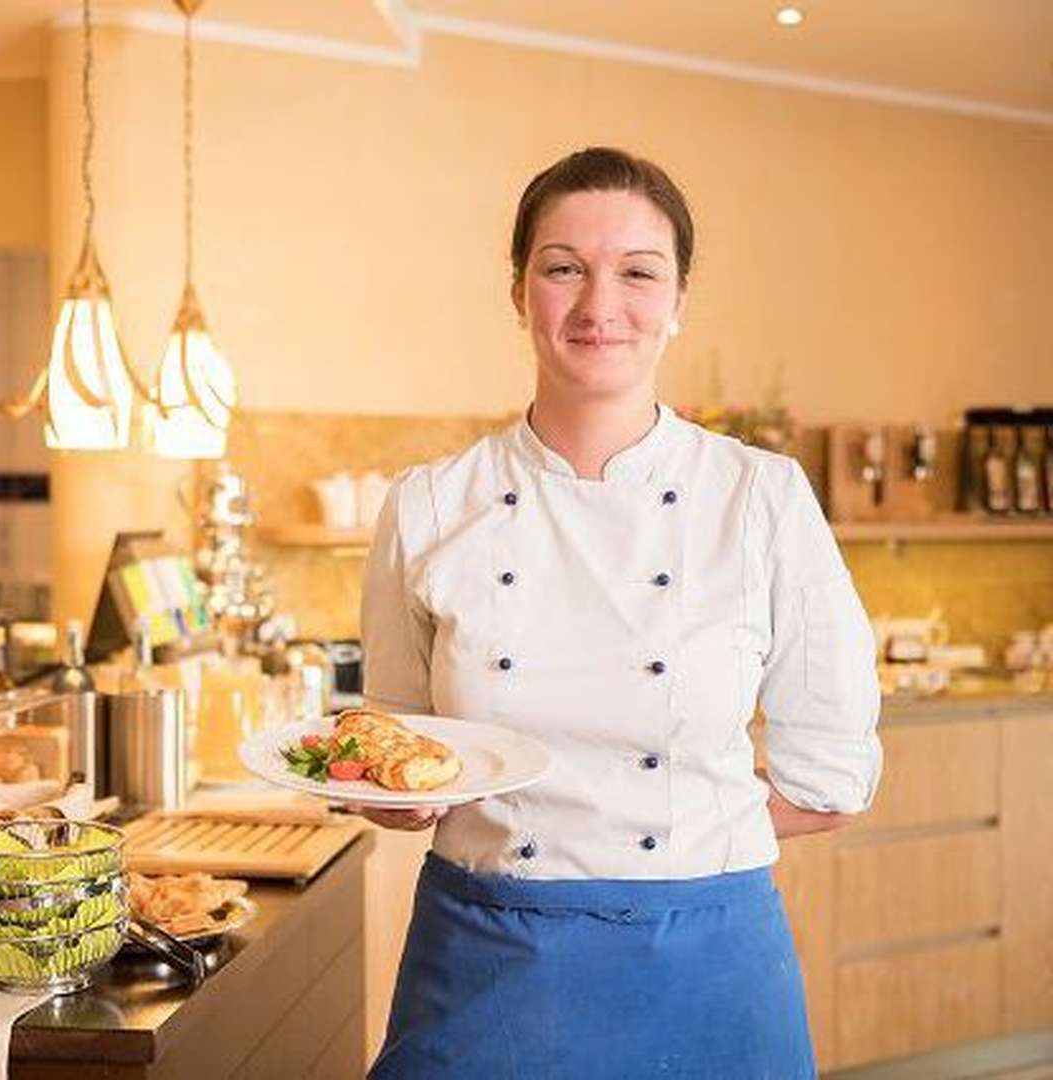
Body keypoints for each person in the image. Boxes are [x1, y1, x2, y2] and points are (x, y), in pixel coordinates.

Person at [358, 146, 882, 1079]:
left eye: (639, 272)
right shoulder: (431, 504)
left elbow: (831, 776)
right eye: (564, 268)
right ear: (519, 292)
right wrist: (394, 797)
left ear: (680, 300)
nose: (600, 306)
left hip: (708, 957)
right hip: (485, 956)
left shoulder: (760, 497)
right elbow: (402, 751)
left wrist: (683, 833)